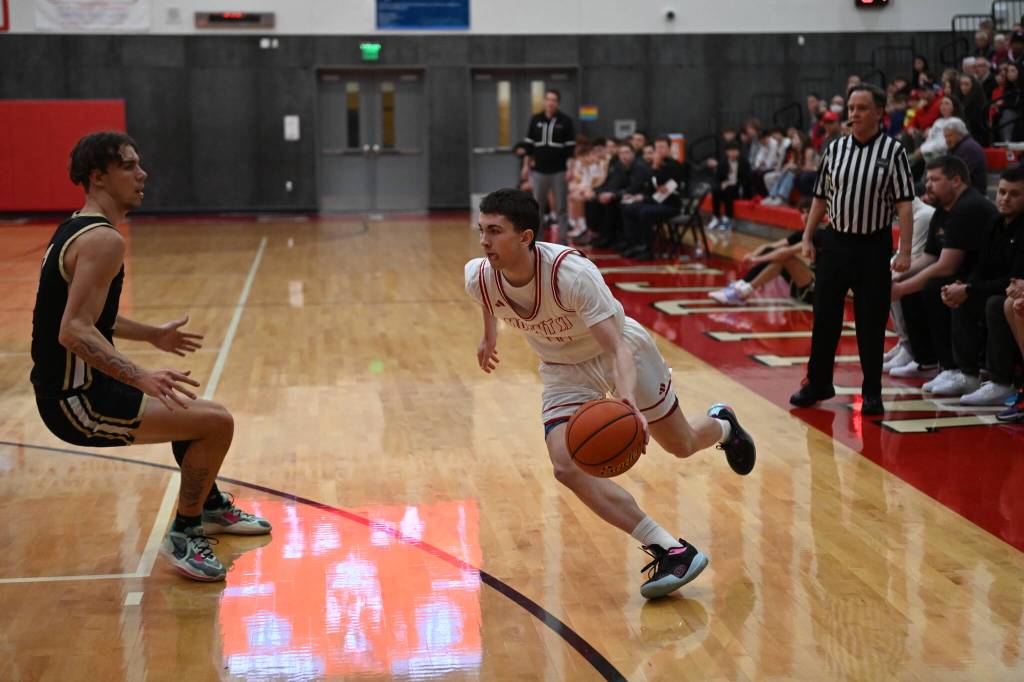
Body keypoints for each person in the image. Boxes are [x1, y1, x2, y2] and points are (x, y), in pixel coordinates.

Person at [465, 188, 756, 599]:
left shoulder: (572, 275)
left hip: (617, 350)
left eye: (495, 232)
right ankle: (671, 548)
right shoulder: (477, 274)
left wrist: (627, 403)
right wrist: (487, 337)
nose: (484, 241)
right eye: (482, 230)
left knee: (681, 443)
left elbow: (616, 347)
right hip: (562, 368)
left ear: (526, 236)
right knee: (565, 466)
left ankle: (723, 426)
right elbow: (489, 298)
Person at [29, 132, 271, 582]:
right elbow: (73, 330)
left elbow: (89, 316)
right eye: (129, 166)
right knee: (217, 423)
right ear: (98, 177)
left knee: (195, 413)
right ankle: (184, 533)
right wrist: (140, 375)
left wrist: (152, 335)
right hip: (75, 401)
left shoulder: (77, 228)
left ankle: (211, 505)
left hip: (83, 386)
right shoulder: (104, 242)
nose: (142, 174)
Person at [789, 84, 916, 416]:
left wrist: (903, 250)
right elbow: (819, 197)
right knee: (825, 317)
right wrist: (807, 235)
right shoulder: (834, 148)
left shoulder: (894, 151)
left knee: (870, 322)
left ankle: (872, 391)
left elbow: (904, 205)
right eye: (851, 108)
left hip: (873, 245)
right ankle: (818, 383)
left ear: (879, 113)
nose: (854, 114)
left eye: (862, 108)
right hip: (836, 242)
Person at [889, 156, 998, 392]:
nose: (928, 185)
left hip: (986, 280)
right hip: (965, 276)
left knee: (930, 287)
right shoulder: (943, 210)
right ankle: (925, 359)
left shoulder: (968, 208)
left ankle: (954, 367)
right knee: (913, 282)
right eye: (927, 179)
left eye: (935, 179)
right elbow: (929, 257)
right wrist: (897, 280)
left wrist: (901, 288)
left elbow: (946, 265)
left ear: (956, 181)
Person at [708, 199, 821, 305]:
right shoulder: (804, 233)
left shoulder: (819, 234)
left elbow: (786, 252)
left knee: (785, 258)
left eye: (809, 212)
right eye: (802, 213)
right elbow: (770, 246)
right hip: (805, 283)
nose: (805, 216)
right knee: (774, 255)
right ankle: (741, 288)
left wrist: (756, 260)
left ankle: (742, 291)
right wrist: (753, 255)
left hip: (818, 289)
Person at [521, 89, 576, 244]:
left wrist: (570, 169)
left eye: (554, 100)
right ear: (544, 101)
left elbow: (570, 149)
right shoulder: (535, 119)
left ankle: (563, 242)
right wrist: (525, 166)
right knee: (537, 207)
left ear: (557, 103)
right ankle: (537, 241)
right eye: (548, 99)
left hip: (559, 170)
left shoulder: (565, 121)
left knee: (561, 208)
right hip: (539, 171)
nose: (550, 102)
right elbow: (529, 146)